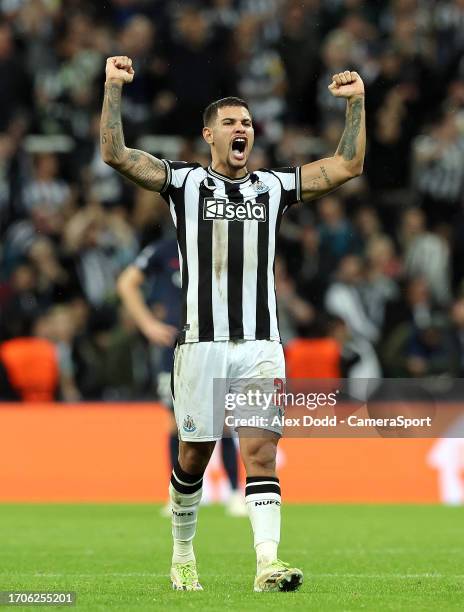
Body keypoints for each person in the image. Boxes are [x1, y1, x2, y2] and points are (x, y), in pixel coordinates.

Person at [100, 55, 365, 592]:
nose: (241, 129)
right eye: (229, 122)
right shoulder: (182, 183)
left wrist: (357, 104)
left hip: (261, 343)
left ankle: (268, 563)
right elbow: (115, 153)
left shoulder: (273, 188)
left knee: (260, 451)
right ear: (208, 135)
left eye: (246, 122)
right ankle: (181, 553)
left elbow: (345, 166)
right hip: (201, 343)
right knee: (193, 455)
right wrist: (112, 89)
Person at [117, 237, 247, 517]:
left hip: (212, 342)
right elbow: (127, 282)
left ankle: (235, 493)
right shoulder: (163, 249)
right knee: (174, 421)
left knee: (221, 419)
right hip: (173, 348)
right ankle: (176, 495)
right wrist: (148, 324)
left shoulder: (220, 245)